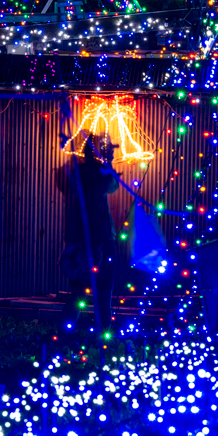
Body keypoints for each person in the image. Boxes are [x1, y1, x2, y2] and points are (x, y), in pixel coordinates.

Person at [57, 133, 120, 331]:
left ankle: (64, 332)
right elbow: (114, 185)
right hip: (102, 241)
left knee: (77, 295)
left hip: (78, 244)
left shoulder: (74, 173)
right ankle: (103, 338)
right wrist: (107, 162)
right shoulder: (101, 174)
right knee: (103, 296)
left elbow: (63, 177)